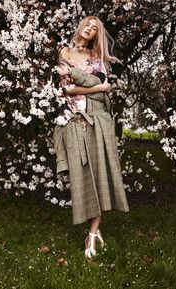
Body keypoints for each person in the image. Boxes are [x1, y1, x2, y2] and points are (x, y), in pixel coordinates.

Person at [53, 15, 129, 258]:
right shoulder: (65, 52)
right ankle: (92, 228)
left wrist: (93, 88)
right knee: (82, 177)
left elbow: (100, 94)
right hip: (74, 121)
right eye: (87, 24)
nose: (89, 29)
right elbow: (68, 89)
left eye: (95, 28)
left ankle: (93, 233)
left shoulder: (98, 59)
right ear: (81, 26)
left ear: (98, 35)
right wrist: (98, 87)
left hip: (99, 120)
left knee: (99, 175)